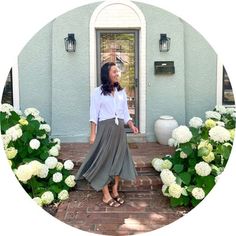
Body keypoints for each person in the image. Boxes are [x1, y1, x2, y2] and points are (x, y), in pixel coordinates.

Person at [75, 62, 139, 207]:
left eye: (118, 71)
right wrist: (93, 134)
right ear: (107, 74)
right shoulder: (97, 92)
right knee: (104, 160)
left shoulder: (121, 92)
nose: (118, 73)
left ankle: (115, 191)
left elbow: (126, 113)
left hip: (119, 131)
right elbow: (93, 114)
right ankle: (106, 195)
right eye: (114, 71)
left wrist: (131, 125)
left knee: (118, 159)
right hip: (105, 129)